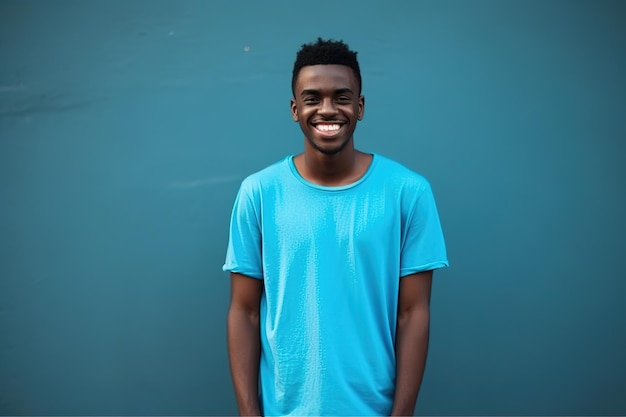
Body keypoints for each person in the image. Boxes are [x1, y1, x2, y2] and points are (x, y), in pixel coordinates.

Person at [223, 37, 448, 416]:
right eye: (312, 98)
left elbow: (414, 313)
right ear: (295, 109)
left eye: (341, 97)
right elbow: (243, 311)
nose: (327, 110)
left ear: (360, 107)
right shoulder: (259, 193)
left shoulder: (408, 193)